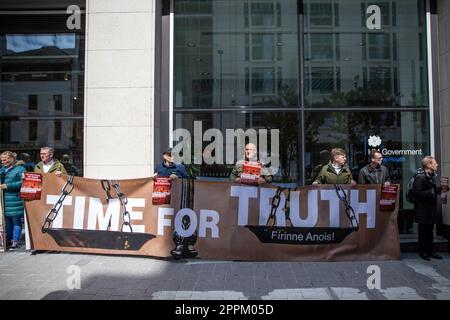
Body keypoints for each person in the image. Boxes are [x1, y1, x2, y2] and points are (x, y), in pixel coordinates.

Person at [413, 156, 446, 261]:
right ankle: (423, 252)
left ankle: (430, 251)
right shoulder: (421, 176)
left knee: (430, 231)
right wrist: (432, 192)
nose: (437, 164)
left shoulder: (431, 176)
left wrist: (441, 189)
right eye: (435, 163)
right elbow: (417, 193)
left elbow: (431, 190)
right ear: (428, 165)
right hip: (423, 210)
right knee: (423, 232)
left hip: (430, 209)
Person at [0, 151, 27, 250]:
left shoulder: (20, 169)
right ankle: (8, 239)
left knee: (16, 221)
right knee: (7, 222)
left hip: (15, 200)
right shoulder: (2, 170)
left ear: (11, 159)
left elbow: (24, 182)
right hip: (4, 200)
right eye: (2, 160)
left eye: (5, 159)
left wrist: (8, 185)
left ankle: (15, 240)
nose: (3, 162)